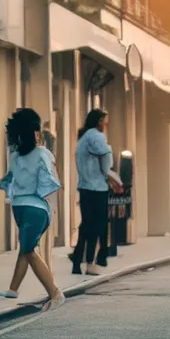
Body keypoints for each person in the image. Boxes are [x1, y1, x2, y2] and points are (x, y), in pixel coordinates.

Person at [0, 108, 65, 312]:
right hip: (21, 208)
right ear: (34, 132)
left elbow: (50, 180)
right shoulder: (15, 156)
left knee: (29, 249)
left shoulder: (42, 154)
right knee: (25, 248)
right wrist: (1, 183)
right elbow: (11, 177)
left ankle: (55, 293)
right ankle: (13, 289)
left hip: (36, 209)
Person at [71, 109, 117, 275]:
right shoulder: (97, 137)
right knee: (97, 226)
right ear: (99, 121)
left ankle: (77, 262)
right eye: (105, 121)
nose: (106, 125)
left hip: (84, 186)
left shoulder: (82, 138)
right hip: (97, 188)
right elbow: (106, 162)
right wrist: (113, 177)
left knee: (85, 225)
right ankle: (91, 262)